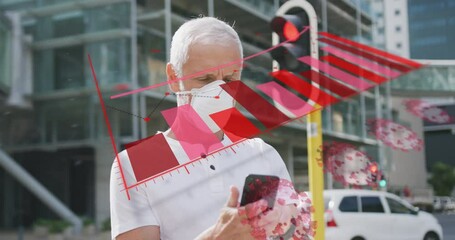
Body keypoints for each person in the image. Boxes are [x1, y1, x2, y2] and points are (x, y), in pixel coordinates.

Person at [110, 17, 302, 240]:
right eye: (205, 79)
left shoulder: (263, 154)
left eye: (230, 78)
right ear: (173, 77)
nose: (219, 91)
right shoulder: (137, 164)